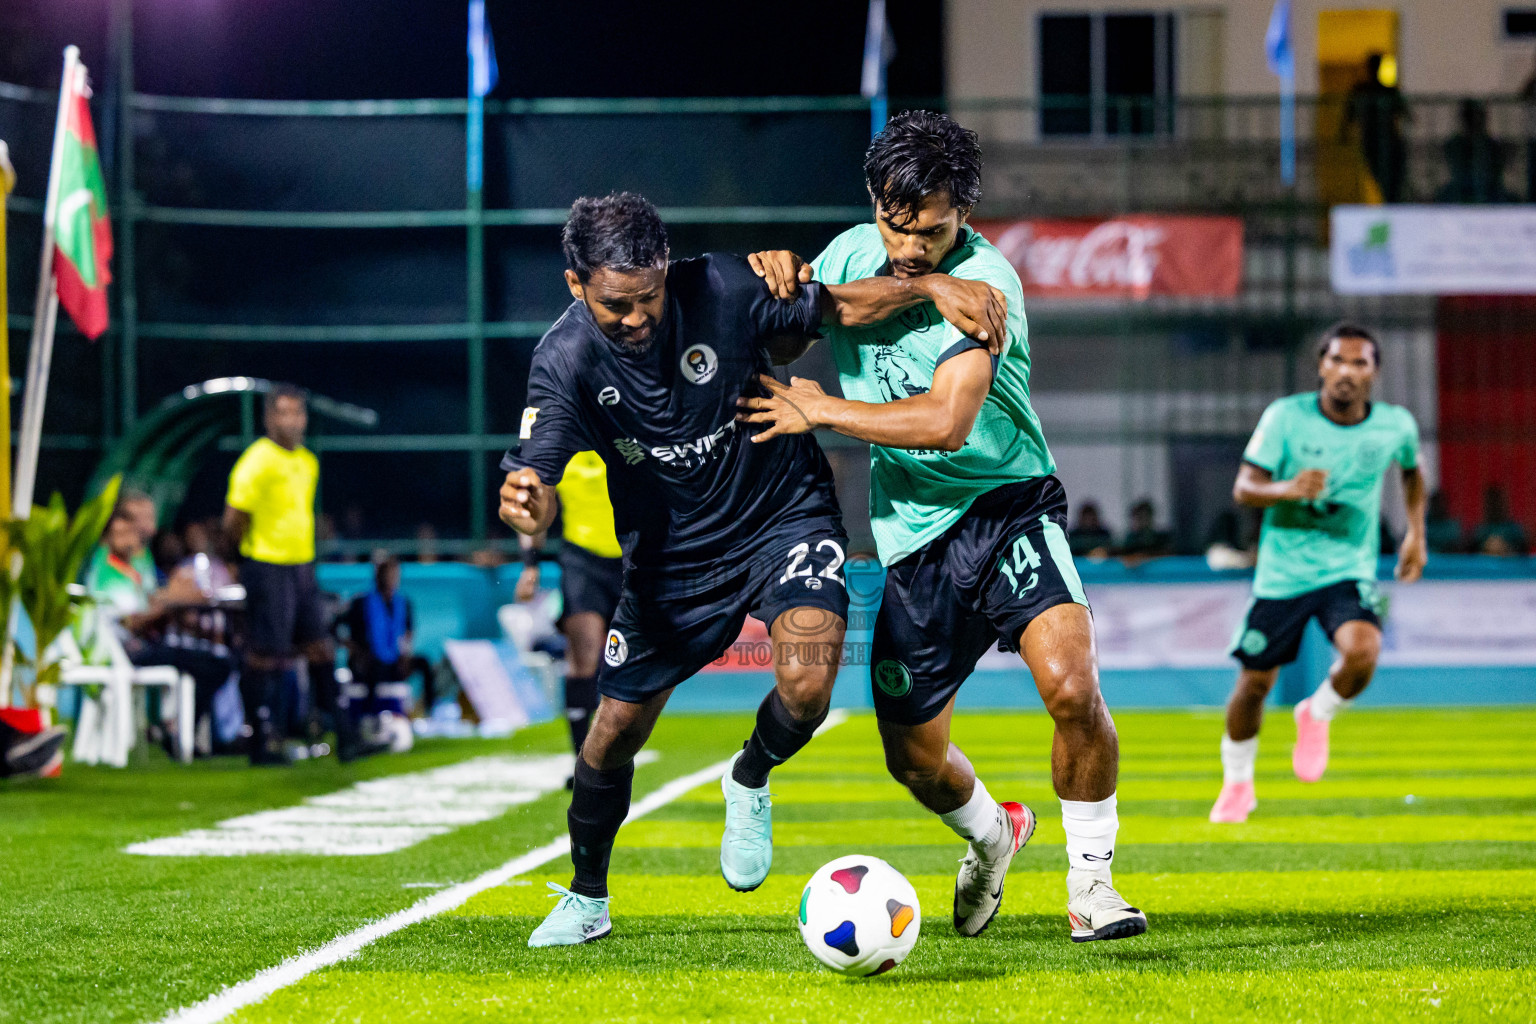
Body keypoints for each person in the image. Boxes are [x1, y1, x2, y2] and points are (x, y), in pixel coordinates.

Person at [499, 191, 1001, 948]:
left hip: (782, 515)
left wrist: (930, 284)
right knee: (610, 737)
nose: (635, 319)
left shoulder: (728, 289)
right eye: (614, 306)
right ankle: (586, 897)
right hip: (673, 560)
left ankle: (751, 773)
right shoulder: (564, 360)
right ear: (576, 286)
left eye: (647, 298)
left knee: (806, 684)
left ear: (667, 269)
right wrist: (526, 506)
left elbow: (837, 309)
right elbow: (532, 488)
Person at [741, 110, 1147, 943]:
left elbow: (945, 424)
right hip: (910, 539)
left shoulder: (990, 285)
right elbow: (805, 321)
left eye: (932, 232)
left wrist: (823, 408)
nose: (912, 243)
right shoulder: (859, 250)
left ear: (962, 212)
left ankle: (1093, 887)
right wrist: (779, 279)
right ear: (874, 202)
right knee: (913, 761)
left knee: (1073, 688)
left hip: (1005, 505)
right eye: (897, 223)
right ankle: (995, 836)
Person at [1210, 323, 1427, 824]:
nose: (1347, 372)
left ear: (1374, 373)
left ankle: (1318, 712)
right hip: (1282, 574)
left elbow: (1412, 471)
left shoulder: (1395, 425)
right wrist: (1287, 489)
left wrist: (1416, 532)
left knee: (1363, 652)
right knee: (1254, 685)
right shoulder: (1286, 417)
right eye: (1338, 361)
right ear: (1321, 366)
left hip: (1347, 569)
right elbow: (1245, 487)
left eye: (1359, 363)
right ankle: (1238, 784)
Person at [224, 385, 376, 764]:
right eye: (284, 413)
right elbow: (233, 520)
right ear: (269, 418)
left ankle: (346, 737)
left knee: (321, 648)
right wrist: (246, 561)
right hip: (267, 566)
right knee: (265, 654)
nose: (293, 421)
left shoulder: (308, 462)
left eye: (298, 413)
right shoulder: (257, 460)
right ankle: (259, 743)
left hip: (302, 566)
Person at [515, 450, 624, 764]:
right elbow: (536, 507)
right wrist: (530, 565)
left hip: (631, 557)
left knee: (628, 658)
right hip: (582, 561)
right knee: (584, 655)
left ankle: (615, 748)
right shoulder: (560, 444)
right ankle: (582, 760)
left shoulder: (623, 429)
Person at [342, 554, 430, 728]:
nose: (392, 579)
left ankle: (428, 713)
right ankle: (368, 716)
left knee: (424, 663)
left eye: (394, 575)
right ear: (378, 576)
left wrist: (405, 654)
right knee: (374, 668)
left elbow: (408, 633)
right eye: (387, 574)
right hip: (368, 660)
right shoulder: (362, 602)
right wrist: (355, 650)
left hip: (394, 660)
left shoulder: (403, 602)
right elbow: (338, 628)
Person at [1341, 53, 1409, 203]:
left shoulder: (1387, 90)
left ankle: (1391, 204)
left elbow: (1405, 113)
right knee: (1382, 180)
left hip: (1388, 142)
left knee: (1391, 182)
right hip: (1373, 142)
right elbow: (1349, 115)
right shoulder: (1362, 90)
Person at [1437, 99, 1514, 204]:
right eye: (1470, 118)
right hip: (1461, 189)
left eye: (1478, 118)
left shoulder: (1492, 145)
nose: (1474, 122)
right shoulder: (1455, 144)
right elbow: (1455, 169)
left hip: (1490, 189)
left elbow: (1498, 169)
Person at [1471, 484, 1529, 555]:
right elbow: (1471, 555)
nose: (1495, 507)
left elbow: (1524, 553)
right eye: (1491, 504)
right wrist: (1487, 548)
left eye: (1497, 503)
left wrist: (1506, 548)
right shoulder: (1480, 531)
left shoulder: (1514, 530)